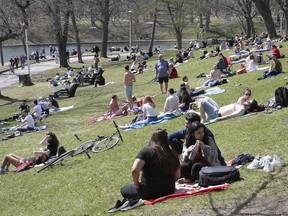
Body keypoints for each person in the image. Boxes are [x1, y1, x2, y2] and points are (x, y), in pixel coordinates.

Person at [108, 129, 180, 212]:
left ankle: (133, 200)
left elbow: (135, 170)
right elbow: (177, 175)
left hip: (149, 192)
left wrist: (136, 184)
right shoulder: (173, 153)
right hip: (169, 189)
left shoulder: (145, 151)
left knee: (124, 190)